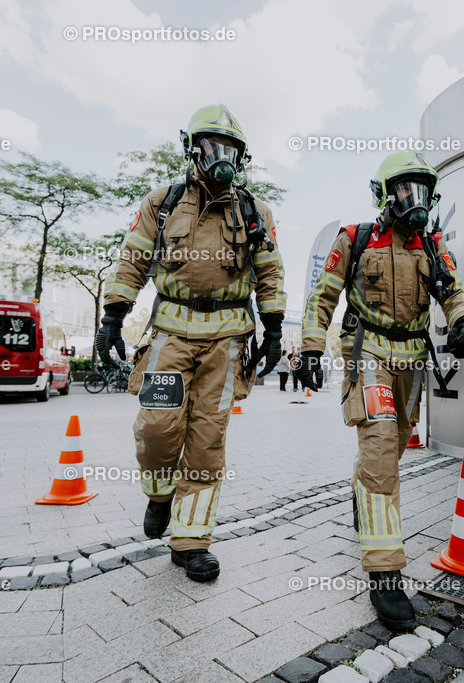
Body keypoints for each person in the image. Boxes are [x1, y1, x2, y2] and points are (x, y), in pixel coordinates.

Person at [95, 104, 286, 582]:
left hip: (228, 343)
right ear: (193, 149)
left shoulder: (254, 211)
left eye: (232, 150)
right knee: (158, 429)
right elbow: (133, 260)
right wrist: (112, 317)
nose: (223, 158)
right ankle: (159, 495)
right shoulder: (161, 202)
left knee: (207, 441)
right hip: (170, 337)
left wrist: (276, 327)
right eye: (213, 146)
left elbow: (269, 271)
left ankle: (191, 540)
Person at [295, 152, 464, 629]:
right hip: (367, 355)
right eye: (405, 189)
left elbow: (455, 290)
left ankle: (363, 498)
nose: (413, 200)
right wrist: (312, 348)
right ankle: (385, 573)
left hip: (413, 364)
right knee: (380, 447)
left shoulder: (433, 246)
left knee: (393, 449)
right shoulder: (355, 239)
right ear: (385, 193)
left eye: (421, 190)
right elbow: (323, 296)